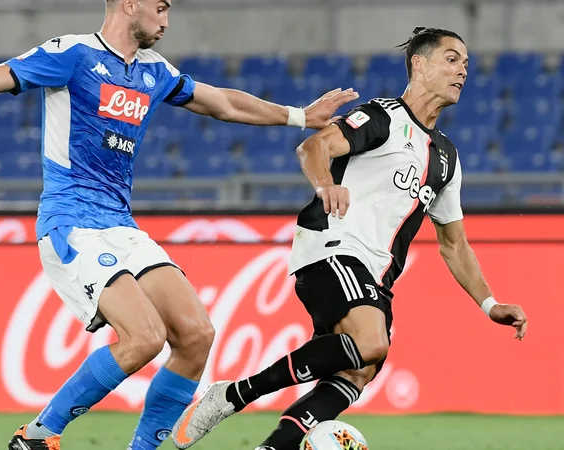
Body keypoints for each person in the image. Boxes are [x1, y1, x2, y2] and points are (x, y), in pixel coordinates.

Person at [0, 1, 358, 449]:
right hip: (71, 220)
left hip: (121, 225)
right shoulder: (71, 54)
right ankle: (38, 435)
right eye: (161, 7)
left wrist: (297, 115)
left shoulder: (153, 71)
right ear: (129, 4)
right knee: (144, 337)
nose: (167, 19)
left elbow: (220, 101)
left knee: (197, 335)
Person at [171, 27, 529, 450]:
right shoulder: (383, 117)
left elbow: (454, 244)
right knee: (370, 341)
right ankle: (233, 395)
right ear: (419, 64)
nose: (462, 71)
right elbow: (313, 148)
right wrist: (325, 186)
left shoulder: (448, 157)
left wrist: (489, 303)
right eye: (452, 59)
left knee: (358, 371)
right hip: (333, 246)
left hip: (376, 277)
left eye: (466, 64)